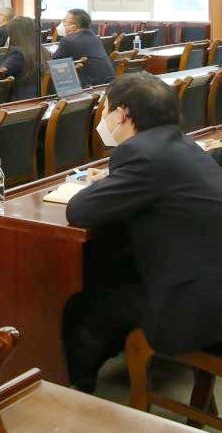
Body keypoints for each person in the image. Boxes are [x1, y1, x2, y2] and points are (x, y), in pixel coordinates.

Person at [63, 73, 222, 392]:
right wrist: (113, 181)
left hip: (193, 311)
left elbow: (79, 210)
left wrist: (104, 185)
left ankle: (77, 398)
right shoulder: (183, 145)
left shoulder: (141, 154)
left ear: (121, 114)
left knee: (82, 308)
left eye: (105, 109)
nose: (103, 118)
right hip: (211, 289)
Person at [54, 9, 115, 88]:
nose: (62, 23)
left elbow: (54, 67)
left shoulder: (68, 41)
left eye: (64, 21)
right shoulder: (94, 37)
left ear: (73, 27)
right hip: (108, 84)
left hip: (91, 86)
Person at [0, 16, 49, 100]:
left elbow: (1, 74)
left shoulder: (18, 53)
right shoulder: (43, 50)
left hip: (21, 99)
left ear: (14, 34)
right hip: (40, 95)